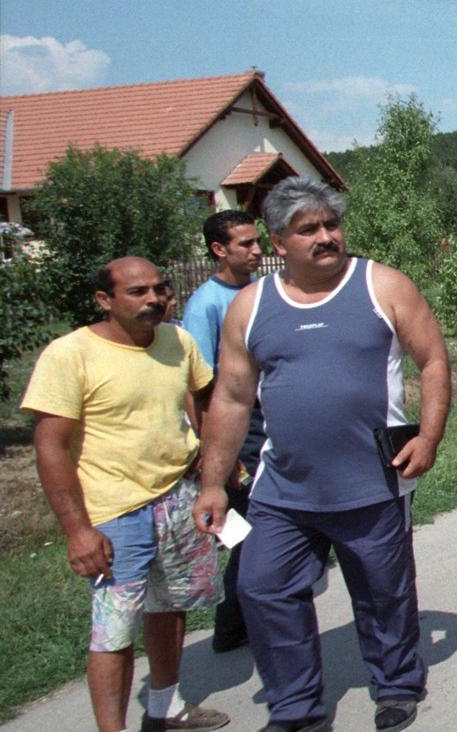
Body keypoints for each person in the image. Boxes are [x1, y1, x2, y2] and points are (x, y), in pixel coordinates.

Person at [194, 177, 449, 732]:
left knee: (384, 595)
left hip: (373, 481)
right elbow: (232, 398)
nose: (325, 236)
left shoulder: (382, 285)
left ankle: (397, 683)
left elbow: (432, 360)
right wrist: (213, 483)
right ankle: (296, 708)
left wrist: (428, 437)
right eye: (308, 229)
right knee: (262, 588)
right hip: (284, 488)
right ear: (279, 241)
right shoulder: (250, 306)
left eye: (331, 224)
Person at [24, 257, 229, 732]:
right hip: (115, 513)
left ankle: (166, 709)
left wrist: (208, 454)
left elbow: (206, 395)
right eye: (138, 292)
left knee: (170, 606)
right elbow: (50, 447)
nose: (154, 298)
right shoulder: (69, 354)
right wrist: (77, 530)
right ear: (105, 300)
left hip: (178, 497)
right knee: (114, 632)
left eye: (160, 289)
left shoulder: (176, 340)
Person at [182, 209, 265, 654]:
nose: (257, 251)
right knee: (248, 529)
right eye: (246, 244)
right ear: (219, 249)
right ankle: (232, 623)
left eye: (258, 242)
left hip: (266, 419)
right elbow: (199, 391)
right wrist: (220, 453)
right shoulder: (206, 305)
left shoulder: (257, 291)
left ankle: (256, 609)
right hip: (236, 428)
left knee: (265, 520)